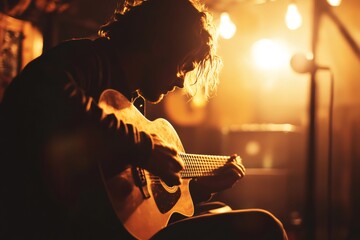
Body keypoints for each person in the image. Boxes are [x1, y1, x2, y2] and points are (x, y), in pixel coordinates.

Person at [0, 0, 288, 239]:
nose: (179, 82)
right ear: (161, 44)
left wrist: (201, 188)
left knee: (220, 208)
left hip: (102, 226)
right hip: (54, 226)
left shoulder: (131, 103)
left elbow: (142, 210)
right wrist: (143, 147)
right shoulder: (86, 59)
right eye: (183, 66)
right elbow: (43, 95)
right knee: (263, 227)